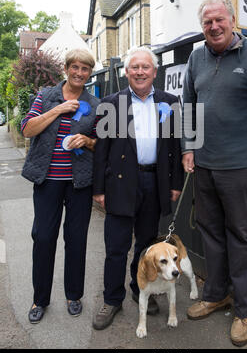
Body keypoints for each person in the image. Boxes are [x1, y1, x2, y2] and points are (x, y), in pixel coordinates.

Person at [181, 0, 247, 347]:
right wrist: (188, 147)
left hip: (240, 166)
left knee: (241, 238)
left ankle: (244, 310)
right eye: (207, 22)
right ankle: (216, 294)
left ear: (232, 20)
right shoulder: (196, 57)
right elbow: (188, 107)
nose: (214, 26)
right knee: (211, 234)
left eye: (219, 19)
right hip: (205, 166)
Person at [92, 46, 183, 330]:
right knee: (116, 246)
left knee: (146, 245)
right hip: (120, 183)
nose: (140, 72)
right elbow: (101, 151)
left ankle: (139, 287)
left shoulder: (171, 102)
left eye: (146, 67)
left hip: (154, 182)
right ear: (127, 72)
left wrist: (176, 183)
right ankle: (112, 299)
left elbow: (176, 145)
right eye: (135, 67)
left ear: (155, 72)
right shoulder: (110, 103)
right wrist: (98, 189)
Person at [21, 48, 100, 323]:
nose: (79, 73)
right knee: (43, 238)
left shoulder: (95, 103)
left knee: (76, 240)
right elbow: (27, 129)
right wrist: (58, 109)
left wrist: (87, 141)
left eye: (85, 69)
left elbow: (102, 143)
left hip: (79, 183)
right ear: (66, 68)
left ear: (90, 73)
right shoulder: (46, 96)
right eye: (75, 67)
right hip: (47, 181)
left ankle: (73, 295)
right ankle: (39, 299)